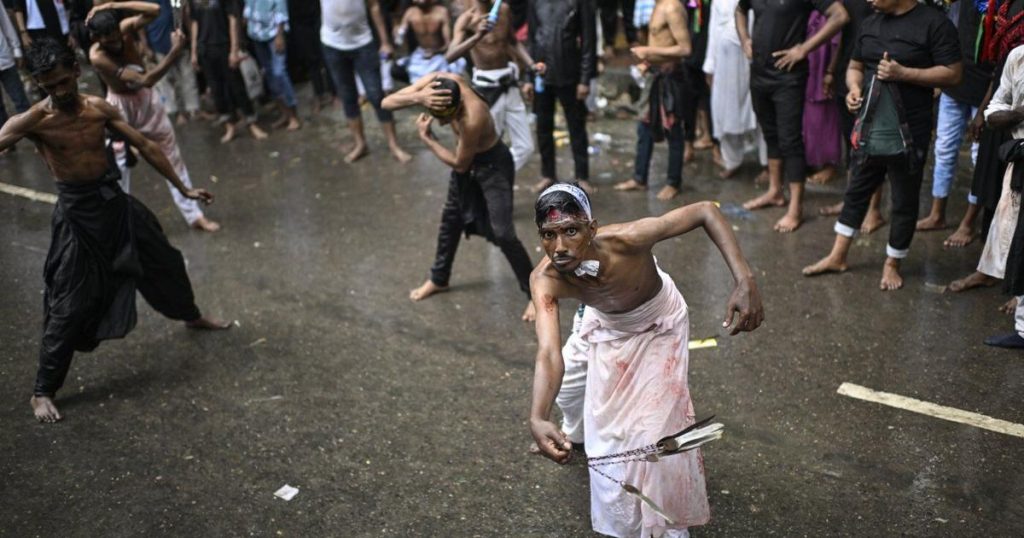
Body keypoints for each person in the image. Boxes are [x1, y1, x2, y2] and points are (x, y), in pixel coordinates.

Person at [0, 38, 230, 423]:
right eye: (47, 86)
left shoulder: (99, 108)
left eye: (62, 82)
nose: (57, 92)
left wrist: (184, 188)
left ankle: (190, 314)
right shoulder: (35, 120)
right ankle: (42, 390)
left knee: (165, 261)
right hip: (77, 216)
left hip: (114, 202)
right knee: (69, 303)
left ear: (76, 71)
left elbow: (145, 144)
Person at [528, 185, 764, 537]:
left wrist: (745, 280)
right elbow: (548, 353)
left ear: (592, 228)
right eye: (549, 235)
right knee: (598, 431)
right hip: (605, 326)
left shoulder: (627, 239)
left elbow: (705, 211)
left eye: (570, 231)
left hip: (659, 326)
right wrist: (537, 416)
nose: (559, 247)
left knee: (654, 437)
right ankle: (572, 439)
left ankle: (666, 528)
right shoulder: (544, 278)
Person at [803, 0, 962, 290]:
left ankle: (892, 263)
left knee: (903, 198)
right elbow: (855, 65)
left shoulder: (933, 22)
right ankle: (838, 255)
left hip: (909, 131)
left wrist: (906, 74)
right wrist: (853, 89)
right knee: (856, 189)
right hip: (869, 126)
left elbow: (953, 73)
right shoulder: (871, 22)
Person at [381, 74, 536, 321]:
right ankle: (439, 279)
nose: (442, 125)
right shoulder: (440, 81)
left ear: (458, 108)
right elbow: (386, 103)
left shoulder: (472, 116)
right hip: (467, 162)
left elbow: (460, 164)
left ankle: (535, 294)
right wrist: (418, 96)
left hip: (492, 165)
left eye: (447, 119)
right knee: (450, 219)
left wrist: (428, 139)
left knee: (503, 233)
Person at [87, 2, 220, 232]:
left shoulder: (125, 27)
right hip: (120, 104)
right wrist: (174, 52)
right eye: (107, 40)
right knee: (119, 163)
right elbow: (146, 79)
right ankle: (119, 227)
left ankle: (194, 215)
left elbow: (155, 10)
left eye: (116, 36)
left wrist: (113, 4)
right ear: (96, 38)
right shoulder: (97, 55)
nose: (115, 42)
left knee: (171, 153)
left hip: (146, 100)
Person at [736, 0, 848, 233]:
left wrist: (804, 49)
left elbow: (839, 16)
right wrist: (744, 39)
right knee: (770, 133)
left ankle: (795, 207)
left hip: (788, 76)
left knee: (790, 139)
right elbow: (740, 10)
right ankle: (775, 191)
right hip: (759, 72)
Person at [916, 0, 990, 232]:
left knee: (980, 157)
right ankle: (937, 214)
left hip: (985, 88)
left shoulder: (1000, 6)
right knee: (944, 148)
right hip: (955, 83)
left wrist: (985, 108)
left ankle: (968, 222)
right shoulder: (958, 4)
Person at [613, 0, 692, 200]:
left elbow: (685, 49)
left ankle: (674, 182)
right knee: (644, 127)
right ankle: (639, 178)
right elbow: (661, 40)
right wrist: (648, 61)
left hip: (670, 78)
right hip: (654, 75)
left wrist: (649, 52)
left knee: (673, 130)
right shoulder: (657, 5)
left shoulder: (672, 7)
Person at [446, 0, 534, 172]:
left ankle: (499, 175)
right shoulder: (467, 17)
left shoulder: (504, 9)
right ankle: (488, 183)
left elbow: (513, 42)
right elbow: (450, 56)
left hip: (510, 83)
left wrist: (532, 65)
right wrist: (477, 36)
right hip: (486, 88)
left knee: (526, 147)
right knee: (487, 146)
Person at [320, 0, 410, 164]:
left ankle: (393, 144)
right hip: (331, 43)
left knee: (376, 95)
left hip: (363, 43)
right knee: (347, 96)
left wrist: (384, 42)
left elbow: (374, 6)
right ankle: (360, 144)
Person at [526, 0, 597, 193]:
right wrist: (528, 77)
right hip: (542, 74)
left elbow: (589, 41)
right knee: (543, 127)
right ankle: (547, 174)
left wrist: (585, 79)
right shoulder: (535, 2)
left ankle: (582, 176)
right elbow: (532, 39)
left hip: (570, 74)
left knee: (576, 127)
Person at [187, 0, 268, 143]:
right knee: (217, 89)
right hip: (205, 49)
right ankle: (229, 125)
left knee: (237, 87)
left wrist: (234, 49)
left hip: (224, 46)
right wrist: (194, 51)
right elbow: (194, 23)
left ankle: (252, 123)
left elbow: (233, 19)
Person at [703, 0, 765, 178]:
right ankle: (732, 160)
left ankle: (767, 164)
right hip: (724, 63)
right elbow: (713, 32)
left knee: (759, 111)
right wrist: (710, 66)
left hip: (752, 60)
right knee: (724, 110)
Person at [139, 0, 200, 125]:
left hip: (180, 43)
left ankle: (193, 109)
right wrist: (145, 46)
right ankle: (177, 112)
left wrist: (192, 42)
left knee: (188, 77)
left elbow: (185, 15)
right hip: (159, 46)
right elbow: (140, 26)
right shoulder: (145, 3)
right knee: (167, 81)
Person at [243, 0, 300, 130]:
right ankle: (284, 113)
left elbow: (281, 10)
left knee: (279, 72)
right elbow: (248, 8)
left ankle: (293, 115)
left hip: (274, 33)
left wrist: (280, 35)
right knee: (269, 74)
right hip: (256, 34)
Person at [803, 10, 841, 184]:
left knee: (825, 117)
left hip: (824, 65)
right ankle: (814, 160)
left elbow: (838, 41)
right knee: (811, 116)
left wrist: (830, 71)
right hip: (809, 63)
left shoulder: (836, 8)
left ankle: (829, 165)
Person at [394, 0, 464, 83]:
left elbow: (448, 44)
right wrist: (398, 33)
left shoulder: (441, 12)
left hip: (440, 55)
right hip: (420, 56)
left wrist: (436, 52)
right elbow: (400, 37)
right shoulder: (410, 13)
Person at [287, 0, 334, 113]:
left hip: (318, 14)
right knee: (310, 59)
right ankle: (319, 94)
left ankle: (334, 93)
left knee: (326, 55)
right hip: (298, 19)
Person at [0, 2, 30, 151]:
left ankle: (35, 135)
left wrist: (16, 49)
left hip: (4, 58)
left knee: (20, 101)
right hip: (5, 57)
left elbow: (5, 24)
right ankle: (7, 143)